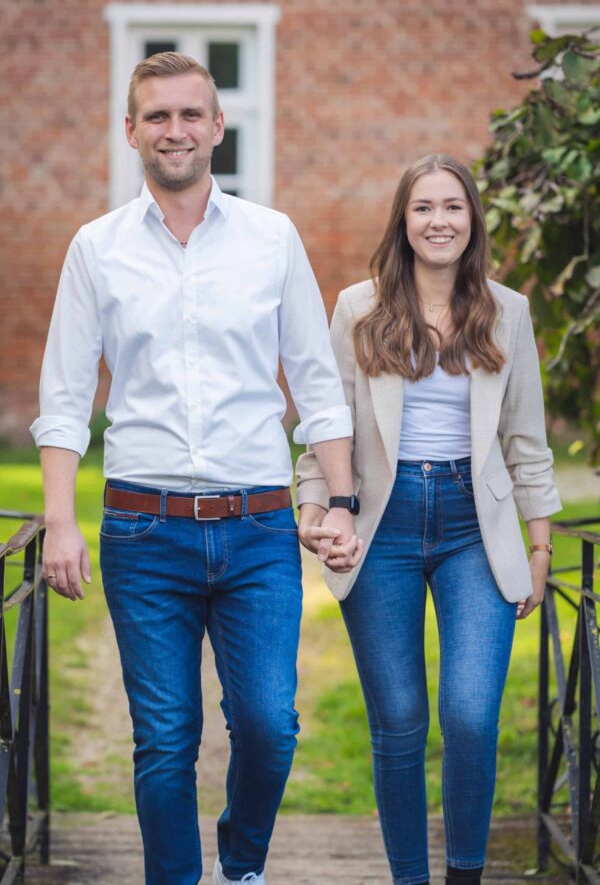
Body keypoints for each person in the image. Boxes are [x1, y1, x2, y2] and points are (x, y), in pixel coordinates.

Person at [30, 52, 360, 885]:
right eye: (157, 116)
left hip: (256, 528)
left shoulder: (270, 237)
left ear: (217, 126)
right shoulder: (96, 249)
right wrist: (62, 520)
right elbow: (65, 396)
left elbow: (316, 383)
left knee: (268, 726)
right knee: (165, 737)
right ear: (131, 130)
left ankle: (240, 864)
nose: (174, 130)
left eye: (190, 114)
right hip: (143, 532)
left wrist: (343, 499)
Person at [296, 154, 562, 885]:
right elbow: (327, 431)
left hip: (476, 529)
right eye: (423, 208)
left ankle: (465, 877)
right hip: (383, 523)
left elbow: (527, 442)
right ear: (403, 221)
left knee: (472, 718)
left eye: (453, 207)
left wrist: (539, 548)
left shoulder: (507, 311)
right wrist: (314, 514)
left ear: (472, 219)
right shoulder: (358, 307)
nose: (439, 221)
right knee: (400, 725)